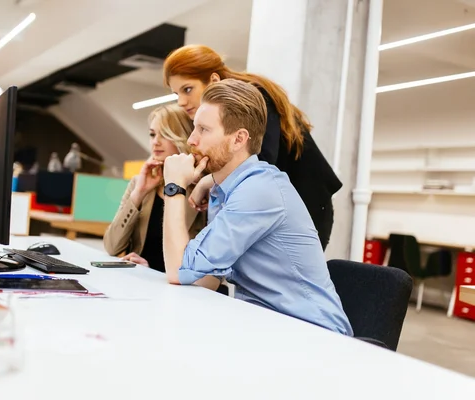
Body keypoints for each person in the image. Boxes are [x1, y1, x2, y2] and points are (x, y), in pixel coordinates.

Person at [161, 79, 352, 335]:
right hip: (266, 324)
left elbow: (178, 270)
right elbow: (204, 277)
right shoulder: (226, 189)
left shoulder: (259, 190)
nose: (192, 141)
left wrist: (174, 187)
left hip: (313, 333)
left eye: (204, 130)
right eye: (194, 129)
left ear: (238, 139)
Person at [163, 44, 342, 250]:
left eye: (187, 89)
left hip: (307, 198)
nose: (182, 102)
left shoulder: (252, 98)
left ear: (213, 80)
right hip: (276, 200)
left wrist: (207, 181)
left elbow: (260, 160)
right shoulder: (226, 109)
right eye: (176, 94)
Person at [103, 104, 205, 272]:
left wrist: (151, 270)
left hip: (177, 290)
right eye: (152, 134)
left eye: (164, 134)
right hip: (136, 282)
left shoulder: (202, 190)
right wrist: (138, 194)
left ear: (182, 137)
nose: (155, 141)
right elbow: (111, 246)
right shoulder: (139, 183)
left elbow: (202, 266)